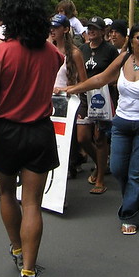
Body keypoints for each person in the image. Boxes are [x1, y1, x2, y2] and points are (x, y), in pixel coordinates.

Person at [0, 0, 64, 277]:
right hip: (40, 131)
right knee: (33, 204)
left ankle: (16, 249)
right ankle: (28, 273)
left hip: (7, 132)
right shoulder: (53, 54)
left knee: (7, 194)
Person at [65, 20, 139, 236]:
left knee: (137, 172)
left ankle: (130, 214)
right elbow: (100, 78)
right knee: (117, 168)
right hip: (122, 123)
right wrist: (72, 89)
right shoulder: (124, 58)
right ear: (131, 40)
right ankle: (133, 202)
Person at [77, 16, 118, 194]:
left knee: (100, 138)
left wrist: (107, 82)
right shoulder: (82, 49)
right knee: (82, 137)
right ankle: (100, 163)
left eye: (95, 28)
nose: (91, 31)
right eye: (89, 28)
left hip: (103, 98)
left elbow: (117, 73)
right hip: (85, 97)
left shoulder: (110, 51)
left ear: (103, 31)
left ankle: (100, 178)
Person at [48, 14, 87, 181]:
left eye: (56, 27)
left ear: (65, 29)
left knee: (68, 138)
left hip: (67, 100)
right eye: (51, 27)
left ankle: (72, 163)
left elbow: (84, 82)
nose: (52, 31)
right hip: (49, 100)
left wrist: (66, 89)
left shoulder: (75, 53)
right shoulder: (47, 50)